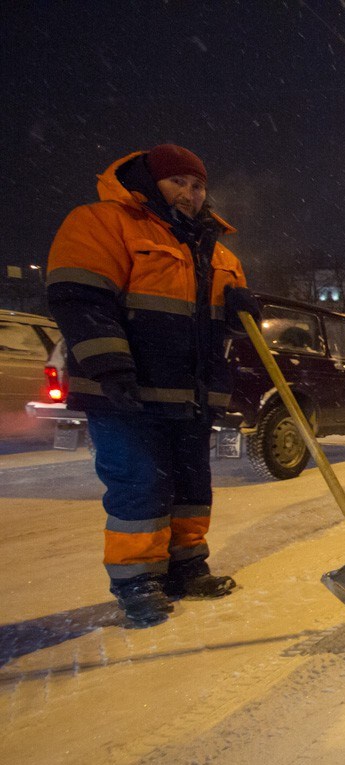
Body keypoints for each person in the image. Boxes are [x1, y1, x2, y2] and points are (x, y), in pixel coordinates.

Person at [46, 144, 261, 627]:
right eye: (178, 182)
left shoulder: (218, 251)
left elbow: (216, 331)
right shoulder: (102, 223)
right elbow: (79, 300)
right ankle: (137, 581)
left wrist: (240, 316)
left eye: (198, 185)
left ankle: (187, 567)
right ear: (149, 181)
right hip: (126, 390)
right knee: (139, 483)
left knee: (191, 485)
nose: (190, 193)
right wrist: (111, 368)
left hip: (192, 394)